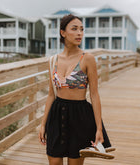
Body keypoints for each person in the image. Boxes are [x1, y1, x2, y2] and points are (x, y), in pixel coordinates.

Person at [39, 14, 112, 165]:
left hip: (80, 116)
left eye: (82, 29)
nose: (80, 33)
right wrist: (43, 124)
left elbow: (94, 94)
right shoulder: (53, 60)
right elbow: (51, 95)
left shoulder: (87, 59)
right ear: (63, 32)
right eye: (74, 29)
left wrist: (99, 128)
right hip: (56, 114)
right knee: (54, 162)